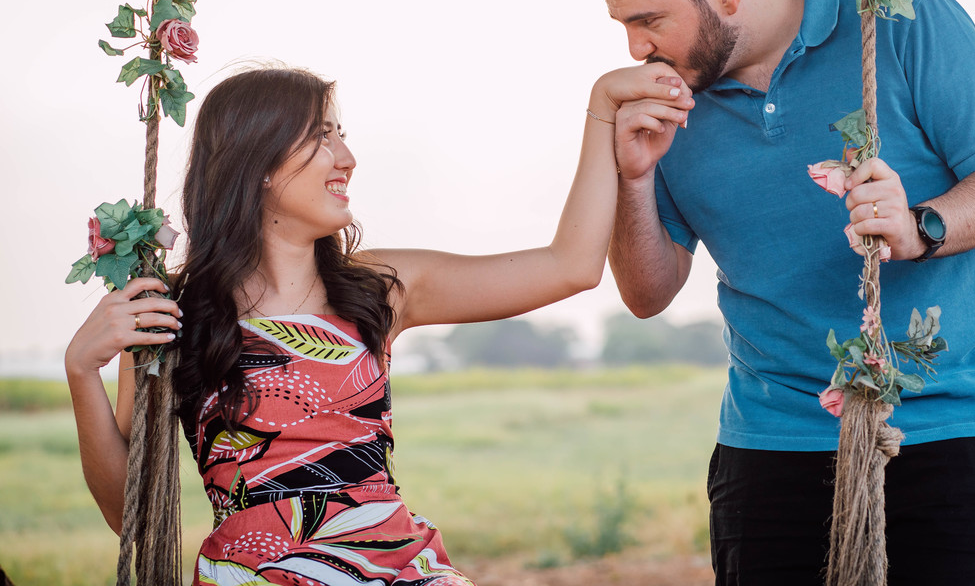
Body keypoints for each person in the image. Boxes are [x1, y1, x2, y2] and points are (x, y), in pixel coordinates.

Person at [65, 64, 693, 585]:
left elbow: (571, 266)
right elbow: (132, 516)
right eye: (321, 137)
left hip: (396, 567)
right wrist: (80, 372)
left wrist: (603, 114)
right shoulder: (174, 314)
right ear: (255, 160)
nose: (348, 158)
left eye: (341, 135)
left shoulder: (380, 289)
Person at [592, 0, 975, 585]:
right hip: (773, 448)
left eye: (648, 19)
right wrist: (633, 178)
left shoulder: (899, 16)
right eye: (622, 25)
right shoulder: (665, 102)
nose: (636, 46)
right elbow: (647, 294)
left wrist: (922, 225)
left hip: (955, 432)